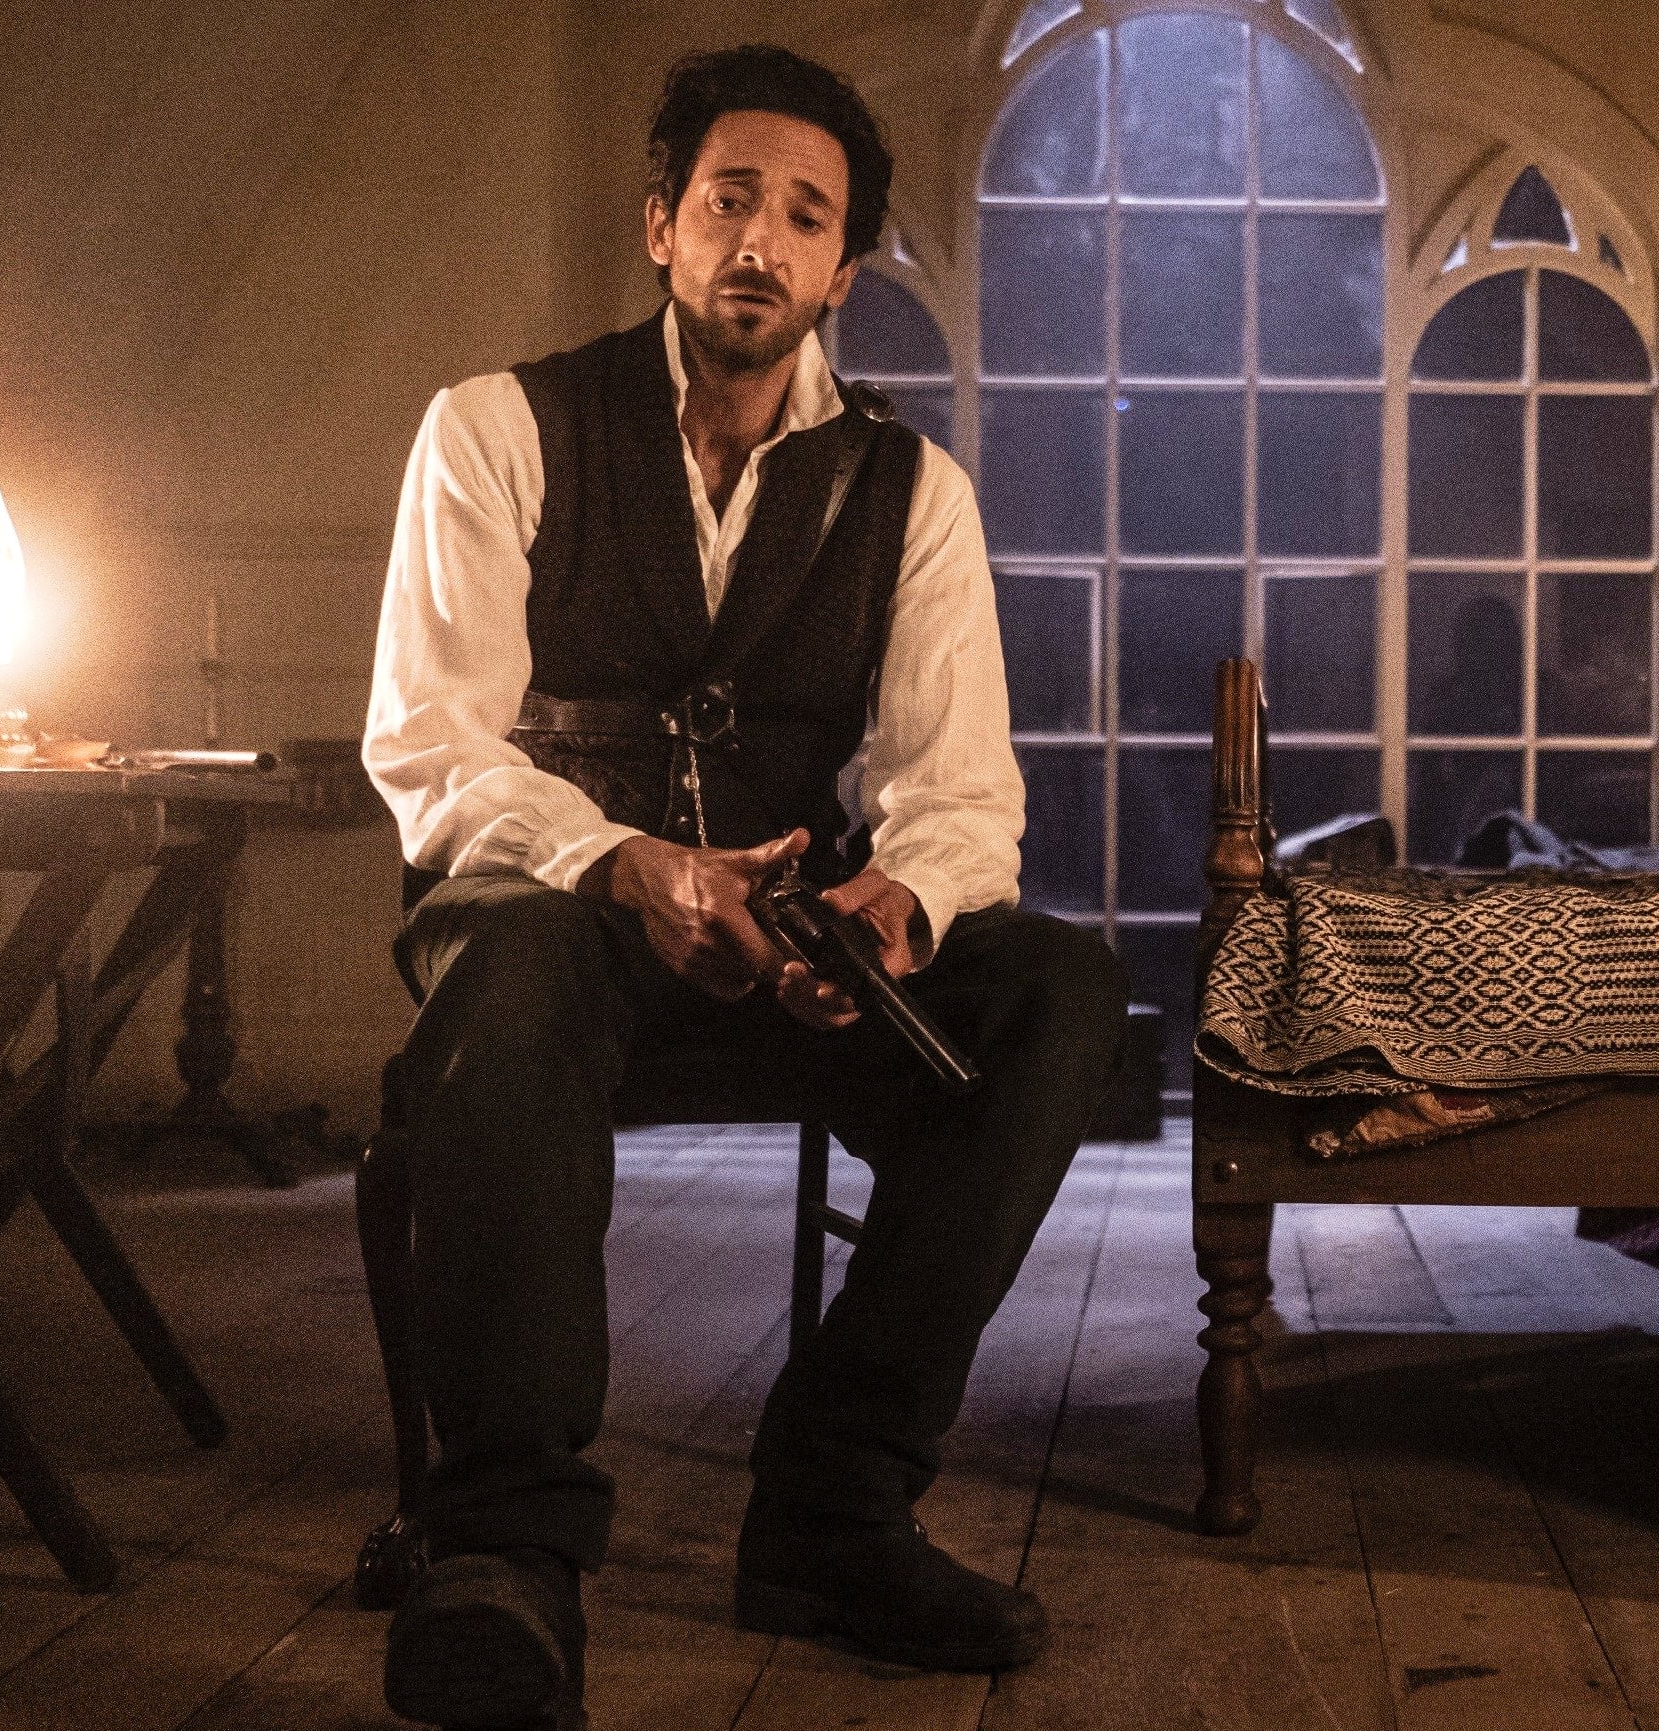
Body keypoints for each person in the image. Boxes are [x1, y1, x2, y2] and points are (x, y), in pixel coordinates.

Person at [362, 46, 1125, 1729]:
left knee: (1058, 993)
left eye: (805, 218)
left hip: (786, 954)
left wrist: (886, 911)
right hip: (554, 924)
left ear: (844, 271)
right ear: (661, 226)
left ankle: (835, 1510)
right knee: (514, 963)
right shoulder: (497, 427)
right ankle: (505, 1554)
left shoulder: (914, 494)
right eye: (727, 201)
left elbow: (959, 800)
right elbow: (431, 745)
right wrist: (625, 863)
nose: (759, 243)